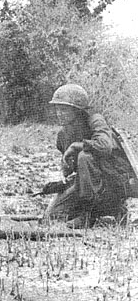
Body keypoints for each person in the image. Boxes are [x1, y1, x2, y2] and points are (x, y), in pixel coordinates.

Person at [43, 84, 136, 228]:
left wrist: (76, 146)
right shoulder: (62, 135)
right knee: (52, 216)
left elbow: (104, 146)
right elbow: (71, 169)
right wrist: (64, 176)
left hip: (113, 180)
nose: (59, 113)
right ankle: (94, 212)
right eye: (57, 108)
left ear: (77, 110)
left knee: (84, 156)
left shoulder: (95, 120)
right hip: (87, 183)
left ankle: (94, 213)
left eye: (64, 109)